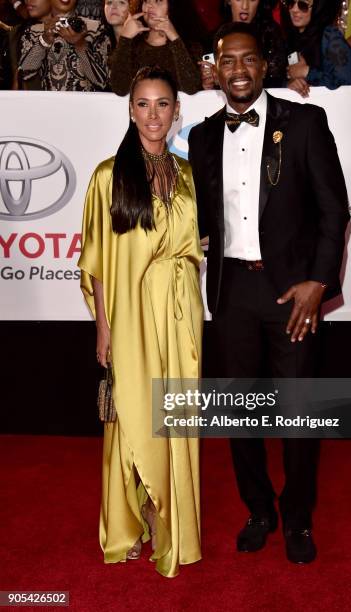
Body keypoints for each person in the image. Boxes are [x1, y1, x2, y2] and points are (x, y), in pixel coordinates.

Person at [188, 21, 349, 564]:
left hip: (291, 296)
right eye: (227, 60)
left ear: (265, 65)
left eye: (248, 59)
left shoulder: (305, 122)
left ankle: (298, 519)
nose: (238, 69)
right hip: (231, 291)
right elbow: (199, 217)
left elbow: (334, 212)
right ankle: (259, 509)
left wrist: (318, 282)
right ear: (216, 67)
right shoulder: (204, 135)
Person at [78, 66, 203, 577]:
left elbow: (192, 245)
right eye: (144, 104)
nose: (154, 114)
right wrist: (103, 327)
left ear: (177, 112)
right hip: (130, 314)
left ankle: (167, 522)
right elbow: (100, 262)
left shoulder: (187, 173)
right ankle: (128, 522)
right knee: (132, 413)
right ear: (131, 110)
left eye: (163, 104)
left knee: (171, 416)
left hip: (180, 314)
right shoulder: (109, 175)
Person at [110, 0, 202, 95]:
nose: (150, 5)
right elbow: (119, 89)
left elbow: (191, 87)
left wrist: (174, 38)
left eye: (158, 1)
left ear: (173, 7)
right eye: (146, 1)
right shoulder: (132, 44)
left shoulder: (189, 45)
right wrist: (125, 38)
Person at [18, 0, 110, 90]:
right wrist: (44, 40)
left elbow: (102, 83)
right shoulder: (35, 31)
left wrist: (80, 45)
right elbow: (25, 74)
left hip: (85, 103)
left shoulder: (95, 29)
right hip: (49, 103)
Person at [200, 0, 287, 90]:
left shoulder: (271, 35)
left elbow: (277, 82)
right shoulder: (213, 39)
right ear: (228, 1)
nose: (245, 6)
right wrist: (208, 87)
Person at [281, 0, 351, 98]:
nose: (294, 10)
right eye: (291, 3)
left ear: (318, 8)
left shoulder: (330, 37)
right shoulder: (291, 38)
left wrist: (307, 72)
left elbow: (345, 84)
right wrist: (290, 84)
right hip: (300, 108)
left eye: (303, 5)